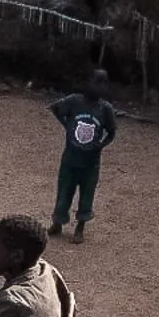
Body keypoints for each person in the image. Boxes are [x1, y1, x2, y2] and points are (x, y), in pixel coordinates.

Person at [47, 69, 119, 242]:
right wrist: (67, 126)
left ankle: (80, 227)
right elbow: (55, 108)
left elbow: (112, 132)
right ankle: (58, 222)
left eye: (104, 83)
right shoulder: (74, 101)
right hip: (70, 159)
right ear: (88, 82)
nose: (100, 87)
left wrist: (100, 146)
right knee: (64, 192)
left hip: (90, 164)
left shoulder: (105, 109)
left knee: (87, 195)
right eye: (97, 82)